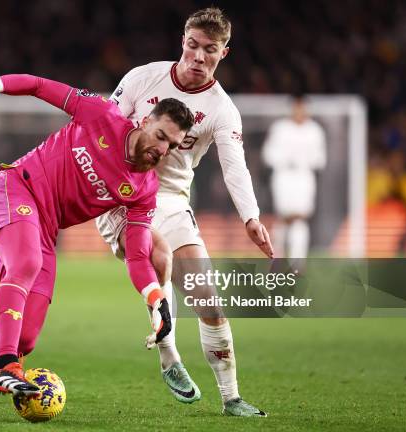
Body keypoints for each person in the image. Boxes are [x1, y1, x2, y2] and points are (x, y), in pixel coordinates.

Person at [0, 71, 194, 416]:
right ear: (145, 121)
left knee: (25, 339)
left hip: (45, 230)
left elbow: (139, 253)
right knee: (25, 266)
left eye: (172, 145)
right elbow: (38, 86)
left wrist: (157, 300)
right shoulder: (100, 114)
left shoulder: (144, 189)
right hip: (14, 189)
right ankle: (7, 367)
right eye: (160, 136)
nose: (162, 149)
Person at [95, 7, 272, 417]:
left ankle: (231, 398)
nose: (197, 56)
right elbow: (103, 129)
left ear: (223, 53)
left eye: (209, 50)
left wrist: (251, 216)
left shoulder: (222, 109)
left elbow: (235, 165)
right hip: (120, 194)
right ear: (182, 40)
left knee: (206, 296)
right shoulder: (142, 78)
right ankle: (169, 355)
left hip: (171, 197)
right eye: (191, 45)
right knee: (159, 256)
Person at [262, 95, 326, 258]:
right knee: (283, 218)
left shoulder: (315, 130)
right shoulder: (280, 128)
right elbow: (267, 155)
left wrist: (303, 160)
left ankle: (297, 263)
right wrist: (285, 160)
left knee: (300, 219)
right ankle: (276, 257)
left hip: (304, 178)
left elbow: (320, 159)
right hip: (283, 177)